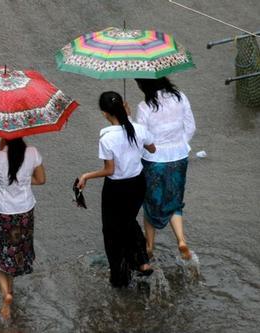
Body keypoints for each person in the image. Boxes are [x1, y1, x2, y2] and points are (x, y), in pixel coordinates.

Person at [77, 91, 156, 288]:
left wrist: (86, 175)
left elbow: (109, 170)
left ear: (104, 113)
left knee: (112, 232)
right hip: (138, 185)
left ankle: (120, 277)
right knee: (128, 221)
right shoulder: (138, 129)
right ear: (123, 106)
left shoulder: (106, 137)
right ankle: (142, 261)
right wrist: (130, 120)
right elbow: (152, 149)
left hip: (116, 189)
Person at [135, 77, 196, 260]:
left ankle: (149, 246)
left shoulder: (144, 107)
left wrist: (128, 117)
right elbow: (191, 127)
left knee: (151, 202)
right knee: (174, 200)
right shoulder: (180, 97)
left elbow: (142, 138)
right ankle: (181, 240)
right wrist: (179, 144)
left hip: (154, 161)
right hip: (179, 158)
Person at [0, 137, 45, 320]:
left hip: (0, 212)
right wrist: (23, 182)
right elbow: (41, 180)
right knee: (15, 251)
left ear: (4, 137)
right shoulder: (33, 153)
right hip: (24, 212)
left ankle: (6, 294)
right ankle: (10, 288)